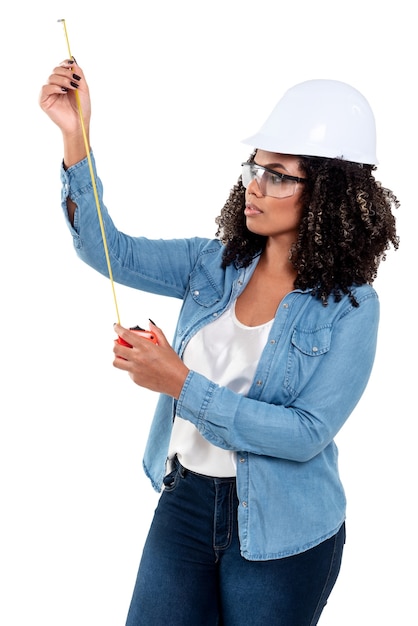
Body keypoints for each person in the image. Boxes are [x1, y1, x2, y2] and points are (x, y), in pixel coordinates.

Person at [39, 59, 399, 625]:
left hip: (284, 528)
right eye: (255, 168)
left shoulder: (352, 307)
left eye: (279, 174)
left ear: (329, 193)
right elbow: (107, 249)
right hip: (185, 500)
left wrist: (180, 383)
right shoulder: (212, 263)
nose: (255, 187)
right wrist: (75, 138)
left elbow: (306, 434)